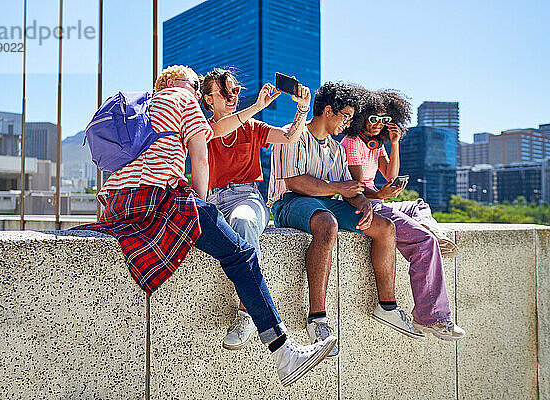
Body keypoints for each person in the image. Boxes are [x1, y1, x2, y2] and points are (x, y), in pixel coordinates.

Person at [72, 65, 337, 386]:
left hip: (117, 201)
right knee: (241, 255)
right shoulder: (182, 100)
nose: (194, 91)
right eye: (194, 86)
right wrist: (199, 209)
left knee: (238, 232)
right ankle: (283, 353)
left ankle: (269, 339)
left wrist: (293, 109)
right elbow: (199, 159)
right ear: (173, 85)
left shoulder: (141, 110)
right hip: (164, 196)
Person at [268, 82, 423, 357]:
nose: (349, 123)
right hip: (289, 202)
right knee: (327, 224)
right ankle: (318, 319)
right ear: (328, 110)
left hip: (327, 200)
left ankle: (387, 307)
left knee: (385, 227)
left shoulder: (337, 150)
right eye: (346, 116)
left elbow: (350, 188)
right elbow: (294, 182)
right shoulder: (291, 135)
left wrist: (364, 204)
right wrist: (340, 188)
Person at [340, 87, 465, 340]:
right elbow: (354, 191)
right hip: (362, 203)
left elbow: (390, 175)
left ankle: (434, 235)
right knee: (422, 242)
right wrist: (381, 195)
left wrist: (394, 143)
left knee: (418, 205)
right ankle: (432, 318)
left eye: (384, 120)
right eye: (373, 119)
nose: (378, 125)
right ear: (362, 116)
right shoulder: (352, 142)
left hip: (376, 198)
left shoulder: (375, 144)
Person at [199, 68, 311, 351]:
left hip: (246, 196)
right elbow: (218, 130)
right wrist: (257, 106)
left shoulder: (252, 127)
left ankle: (247, 312)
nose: (232, 96)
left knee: (243, 220)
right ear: (208, 99)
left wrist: (302, 110)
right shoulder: (199, 126)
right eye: (225, 92)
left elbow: (288, 137)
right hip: (211, 200)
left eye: (235, 90)